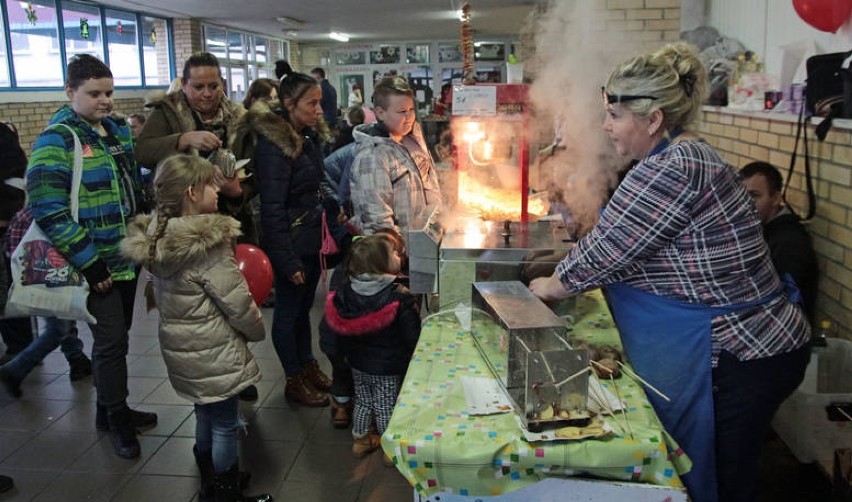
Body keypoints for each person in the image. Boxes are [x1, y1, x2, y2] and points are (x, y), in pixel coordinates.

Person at [528, 43, 810, 502]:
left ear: (653, 118)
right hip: (743, 344)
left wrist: (552, 286)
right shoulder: (680, 156)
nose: (605, 126)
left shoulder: (675, 167)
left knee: (720, 476)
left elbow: (609, 249)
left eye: (614, 116)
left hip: (738, 349)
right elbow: (632, 240)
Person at [22, 54, 157, 459]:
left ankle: (108, 408)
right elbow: (48, 208)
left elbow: (131, 187)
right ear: (70, 92)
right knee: (111, 342)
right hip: (93, 266)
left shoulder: (116, 132)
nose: (105, 101)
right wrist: (89, 260)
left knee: (117, 340)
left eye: (109, 93)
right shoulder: (57, 139)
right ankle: (117, 419)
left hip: (124, 258)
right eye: (94, 93)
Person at [121, 154, 271, 502]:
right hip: (213, 349)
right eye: (210, 184)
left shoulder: (159, 236)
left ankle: (210, 484)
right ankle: (226, 492)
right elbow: (235, 300)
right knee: (224, 424)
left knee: (204, 414)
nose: (217, 189)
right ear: (192, 192)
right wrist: (255, 330)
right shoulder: (208, 245)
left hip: (183, 348)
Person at [136, 52, 257, 400]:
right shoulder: (168, 114)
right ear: (184, 85)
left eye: (213, 86)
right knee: (195, 307)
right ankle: (207, 379)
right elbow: (142, 152)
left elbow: (255, 173)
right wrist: (183, 140)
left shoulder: (239, 118)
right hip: (184, 226)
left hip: (228, 219)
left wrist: (240, 190)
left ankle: (238, 373)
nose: (207, 93)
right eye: (199, 86)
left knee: (234, 298)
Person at [243, 62, 333, 407]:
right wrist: (285, 257)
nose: (318, 110)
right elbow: (272, 208)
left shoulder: (305, 137)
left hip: (309, 238)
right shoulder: (273, 146)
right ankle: (293, 379)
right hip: (291, 243)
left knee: (302, 310)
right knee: (288, 312)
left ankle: (308, 366)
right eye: (311, 103)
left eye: (319, 102)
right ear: (288, 103)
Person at [323, 233, 420, 456]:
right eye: (393, 253)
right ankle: (389, 450)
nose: (398, 255)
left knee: (364, 402)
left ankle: (360, 440)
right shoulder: (398, 298)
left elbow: (340, 333)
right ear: (381, 266)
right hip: (387, 367)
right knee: (386, 406)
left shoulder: (345, 292)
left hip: (357, 363)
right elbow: (412, 336)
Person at [348, 76, 442, 244]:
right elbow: (378, 222)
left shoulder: (412, 141)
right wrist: (399, 252)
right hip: (401, 253)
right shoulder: (372, 156)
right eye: (401, 112)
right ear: (380, 113)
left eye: (411, 110)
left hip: (424, 244)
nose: (409, 117)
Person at [740, 161, 819, 321]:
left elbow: (781, 304)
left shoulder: (789, 243)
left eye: (754, 196)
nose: (745, 204)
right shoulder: (760, 230)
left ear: (776, 198)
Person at [0, 121, 34, 364]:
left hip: (3, 222)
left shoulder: (2, 134)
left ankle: (20, 346)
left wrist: (5, 215)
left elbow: (15, 178)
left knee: (6, 286)